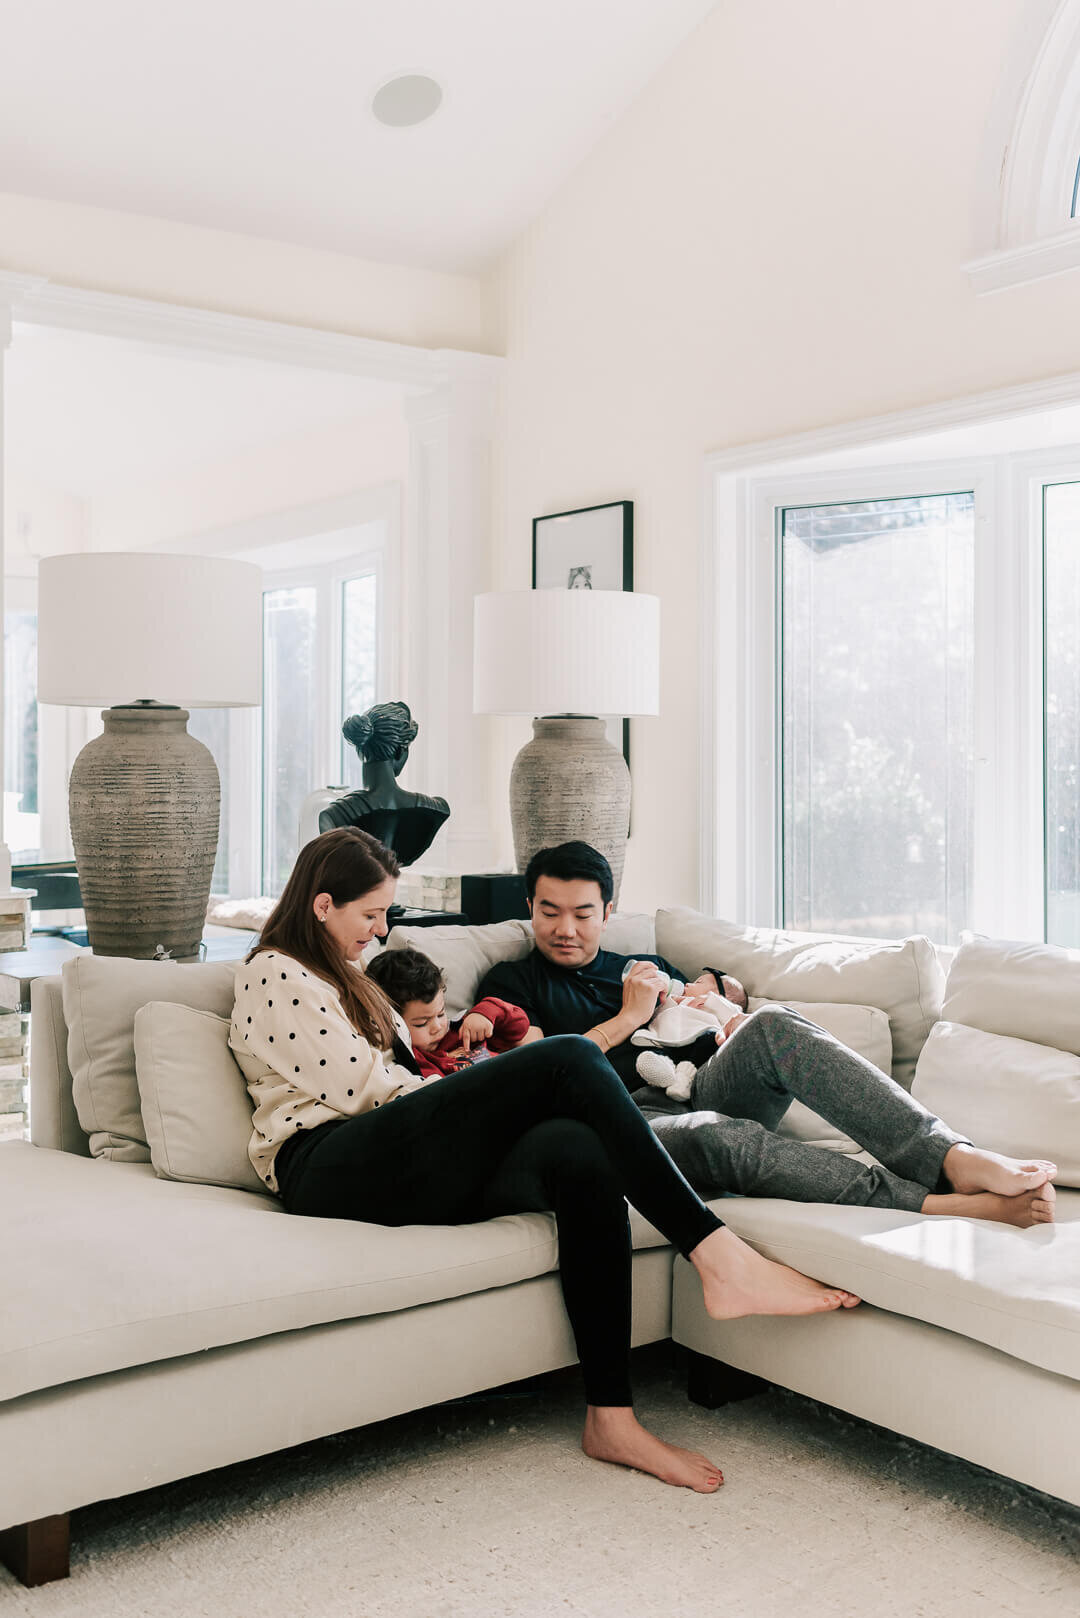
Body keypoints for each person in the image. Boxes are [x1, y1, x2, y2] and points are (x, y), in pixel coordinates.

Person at [229, 827, 862, 1496]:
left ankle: (611, 1416)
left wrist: (488, 1093)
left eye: (386, 914)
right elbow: (368, 1089)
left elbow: (409, 1081)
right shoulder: (275, 969)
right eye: (371, 914)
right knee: (570, 1059)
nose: (381, 931)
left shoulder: (347, 975)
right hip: (328, 1162)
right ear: (322, 905)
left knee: (578, 1150)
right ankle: (718, 1256)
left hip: (396, 1156)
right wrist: (492, 1092)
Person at [475, 842, 1057, 1228]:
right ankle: (935, 1202)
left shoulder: (647, 963)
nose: (565, 929)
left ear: (608, 911)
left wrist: (722, 999)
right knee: (716, 1134)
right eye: (549, 912)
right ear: (530, 907)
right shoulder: (511, 984)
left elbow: (711, 1009)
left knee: (773, 1027)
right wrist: (628, 1019)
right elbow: (535, 1080)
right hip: (620, 1122)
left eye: (582, 913)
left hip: (695, 1087)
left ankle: (951, 1155)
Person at [365, 944, 541, 1078]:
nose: (437, 1027)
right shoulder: (415, 1063)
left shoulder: (462, 1029)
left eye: (441, 1014)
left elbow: (519, 1029)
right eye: (421, 1023)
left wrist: (486, 1012)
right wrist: (446, 1059)